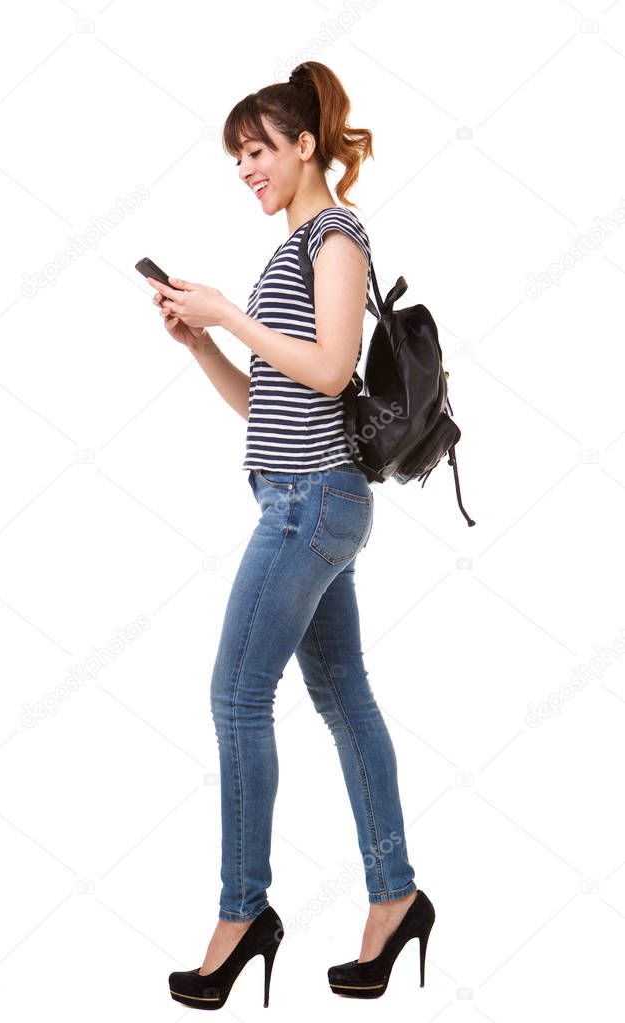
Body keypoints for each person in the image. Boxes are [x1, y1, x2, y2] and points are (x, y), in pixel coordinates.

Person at [148, 60, 435, 1009]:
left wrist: (229, 309)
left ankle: (243, 915)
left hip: (313, 503)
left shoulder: (336, 237)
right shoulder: (291, 251)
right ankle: (396, 900)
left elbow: (331, 368)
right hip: (298, 493)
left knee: (236, 696)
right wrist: (205, 347)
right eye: (237, 157)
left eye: (258, 149)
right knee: (344, 700)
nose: (247, 169)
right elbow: (266, 403)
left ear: (304, 144)